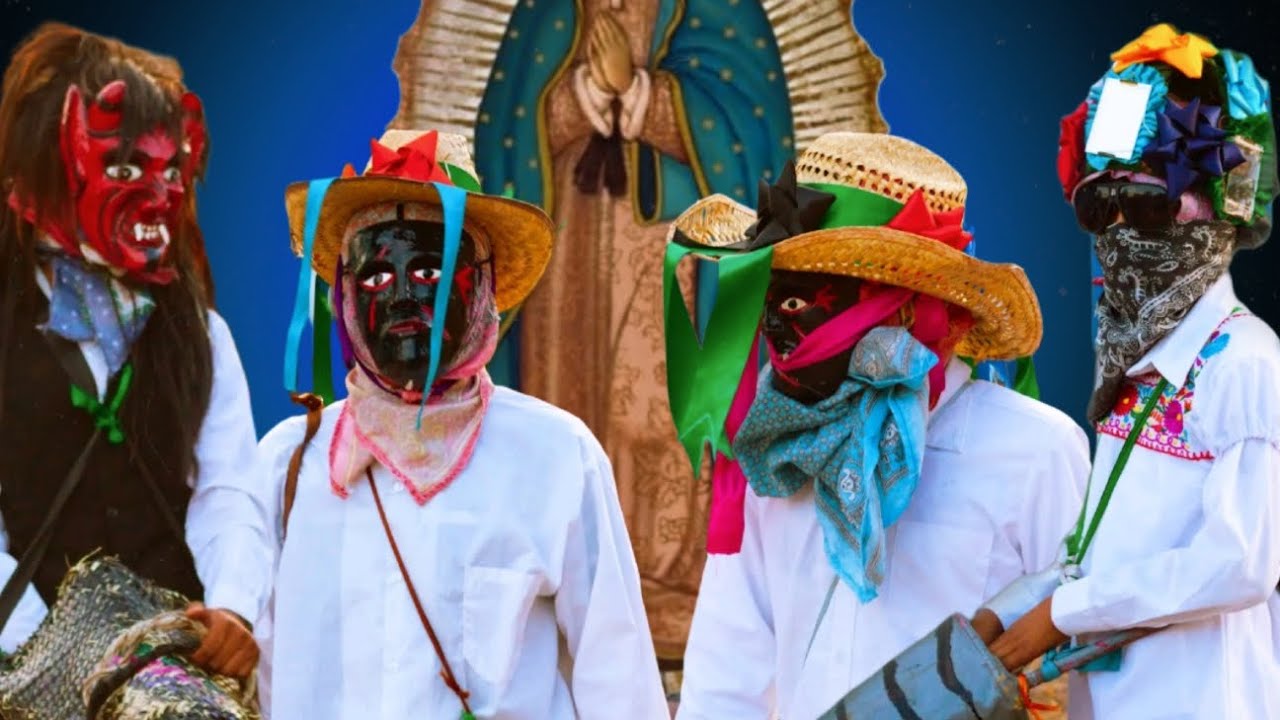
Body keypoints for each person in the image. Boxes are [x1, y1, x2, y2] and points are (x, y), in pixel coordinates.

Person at [390, 0, 886, 658]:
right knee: (567, 398)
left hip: (672, 249)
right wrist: (577, 99)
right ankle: (559, 570)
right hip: (566, 248)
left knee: (652, 409)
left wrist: (648, 96)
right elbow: (506, 127)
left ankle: (672, 580)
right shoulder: (547, 13)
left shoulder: (717, 11)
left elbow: (752, 124)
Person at [672, 132, 1090, 719]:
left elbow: (1086, 651)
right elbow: (726, 672)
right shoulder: (776, 455)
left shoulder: (1033, 451)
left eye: (806, 297)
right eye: (776, 291)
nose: (777, 323)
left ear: (908, 304)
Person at [257, 128, 669, 718]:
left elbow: (618, 682)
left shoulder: (557, 456)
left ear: (484, 290)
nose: (403, 296)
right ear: (343, 297)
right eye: (376, 277)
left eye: (431, 271)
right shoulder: (286, 465)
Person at [986, 23, 1280, 718]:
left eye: (1147, 203)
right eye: (1099, 206)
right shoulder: (1134, 361)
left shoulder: (1244, 362)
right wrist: (1009, 610)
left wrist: (1064, 613)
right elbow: (1103, 548)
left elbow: (1241, 562)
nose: (1119, 231)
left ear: (1221, 208)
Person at [0, 23, 269, 678]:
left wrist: (231, 609)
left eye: (172, 170)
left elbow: (229, 490)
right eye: (123, 169)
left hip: (175, 673)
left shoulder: (199, 335)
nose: (160, 193)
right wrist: (47, 649)